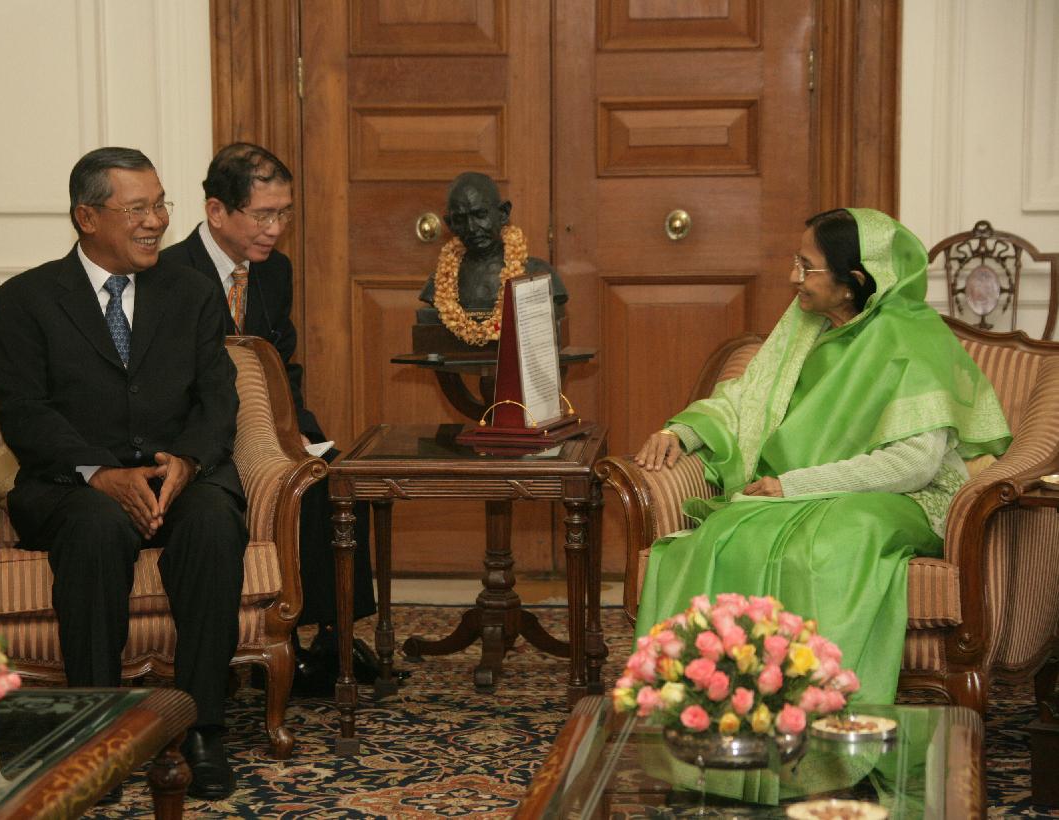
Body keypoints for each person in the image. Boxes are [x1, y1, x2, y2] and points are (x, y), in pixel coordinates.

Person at [631, 208, 1012, 706]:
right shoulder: (805, 327)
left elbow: (912, 465)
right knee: (723, 535)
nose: (794, 277)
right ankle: (722, 705)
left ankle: (820, 708)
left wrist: (792, 486)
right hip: (798, 493)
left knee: (826, 548)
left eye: (806, 267)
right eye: (796, 261)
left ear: (854, 281)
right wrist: (682, 432)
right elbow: (747, 399)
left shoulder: (913, 341)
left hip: (901, 497)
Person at [0, 147, 244, 800]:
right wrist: (96, 471)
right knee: (97, 530)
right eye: (137, 209)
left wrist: (187, 461)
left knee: (214, 523)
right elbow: (22, 411)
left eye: (160, 204)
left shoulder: (191, 292)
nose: (156, 221)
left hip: (175, 475)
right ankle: (95, 733)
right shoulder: (25, 300)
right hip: (71, 483)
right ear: (87, 217)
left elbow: (218, 396)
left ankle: (202, 730)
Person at [161, 142, 391, 695]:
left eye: (284, 214)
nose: (276, 229)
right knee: (295, 485)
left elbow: (280, 362)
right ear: (217, 211)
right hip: (200, 432)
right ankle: (282, 640)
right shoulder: (169, 275)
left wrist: (302, 431)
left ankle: (332, 635)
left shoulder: (274, 271)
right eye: (263, 215)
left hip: (268, 422)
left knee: (335, 475)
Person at [417, 171, 566, 327]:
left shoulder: (537, 273)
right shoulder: (440, 284)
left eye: (480, 214)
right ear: (450, 224)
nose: (471, 228)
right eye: (460, 219)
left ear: (503, 213)